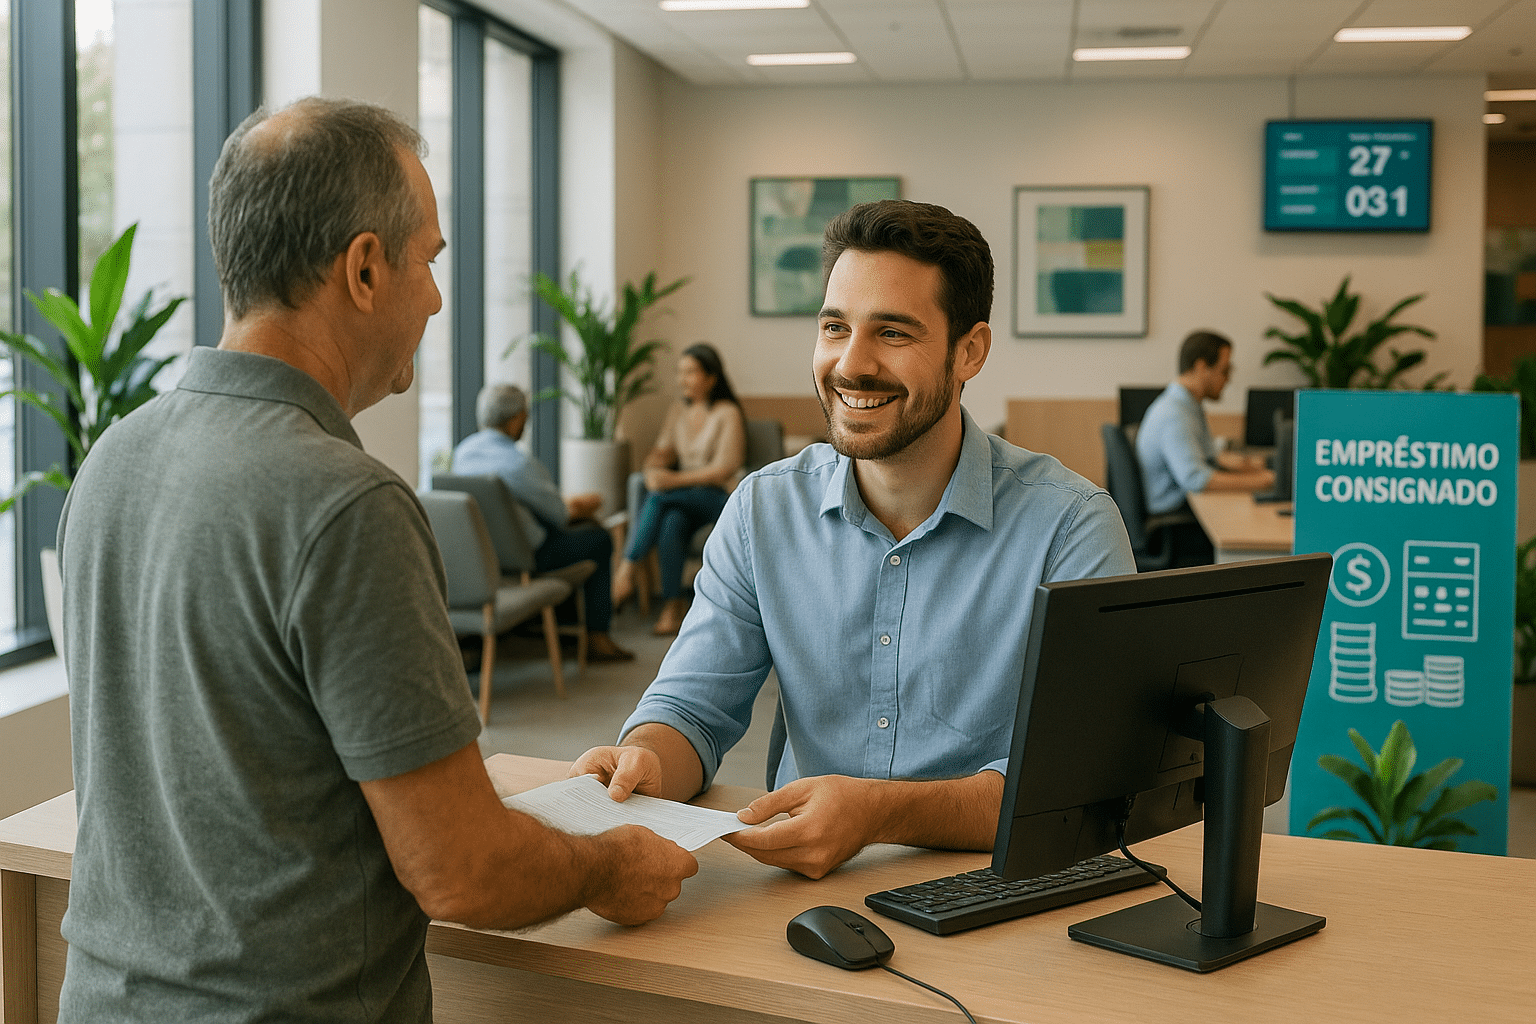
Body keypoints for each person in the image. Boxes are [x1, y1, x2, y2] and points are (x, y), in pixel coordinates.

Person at [53, 97, 696, 1024]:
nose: (436, 297)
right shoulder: (347, 504)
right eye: (429, 261)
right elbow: (461, 871)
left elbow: (220, 761)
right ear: (363, 267)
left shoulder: (115, 456)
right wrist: (610, 862)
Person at [573, 200, 1136, 879]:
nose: (851, 364)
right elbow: (691, 708)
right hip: (802, 891)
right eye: (835, 327)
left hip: (999, 893)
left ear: (970, 352)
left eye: (893, 333)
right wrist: (647, 762)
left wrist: (881, 812)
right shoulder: (762, 509)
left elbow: (1078, 780)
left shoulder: (1070, 526)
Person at [453, 383, 633, 661]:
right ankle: (598, 638)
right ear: (516, 419)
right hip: (529, 557)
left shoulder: (462, 454)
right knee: (598, 539)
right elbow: (559, 514)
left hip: (482, 557)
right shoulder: (517, 463)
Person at [611, 342, 746, 637]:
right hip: (684, 500)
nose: (682, 379)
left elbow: (725, 468)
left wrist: (669, 481)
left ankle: (627, 567)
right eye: (680, 372)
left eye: (691, 372)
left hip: (719, 497)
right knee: (672, 521)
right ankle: (673, 606)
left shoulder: (727, 412)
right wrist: (654, 465)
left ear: (711, 378)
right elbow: (663, 450)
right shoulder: (677, 411)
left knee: (661, 499)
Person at [1136, 330, 1275, 563]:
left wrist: (1251, 466)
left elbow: (1209, 455)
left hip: (1180, 514)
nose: (1228, 379)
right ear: (1201, 367)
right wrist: (1265, 481)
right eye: (1225, 370)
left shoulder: (1187, 405)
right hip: (1174, 525)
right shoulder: (1174, 414)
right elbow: (1196, 479)